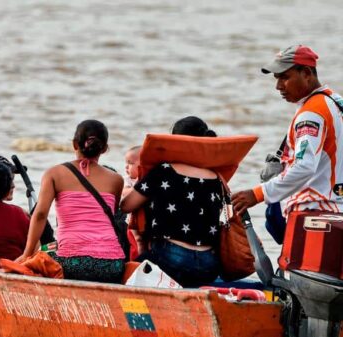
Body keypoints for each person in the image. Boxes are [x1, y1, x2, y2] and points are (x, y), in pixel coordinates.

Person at [232, 45, 343, 222]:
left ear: (306, 73)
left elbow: (304, 166)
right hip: (336, 209)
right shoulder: (335, 100)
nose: (278, 86)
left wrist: (258, 194)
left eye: (284, 77)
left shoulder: (311, 113)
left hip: (315, 212)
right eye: (276, 78)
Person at [121, 117, 224, 287]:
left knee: (126, 272)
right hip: (209, 265)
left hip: (170, 261)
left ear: (175, 142)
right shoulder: (216, 177)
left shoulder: (163, 171)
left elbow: (126, 205)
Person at [17, 120, 126, 282]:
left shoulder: (54, 173)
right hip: (113, 265)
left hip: (70, 262)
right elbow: (112, 216)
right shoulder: (116, 179)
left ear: (75, 144)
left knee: (41, 253)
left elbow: (40, 215)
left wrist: (26, 255)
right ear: (104, 148)